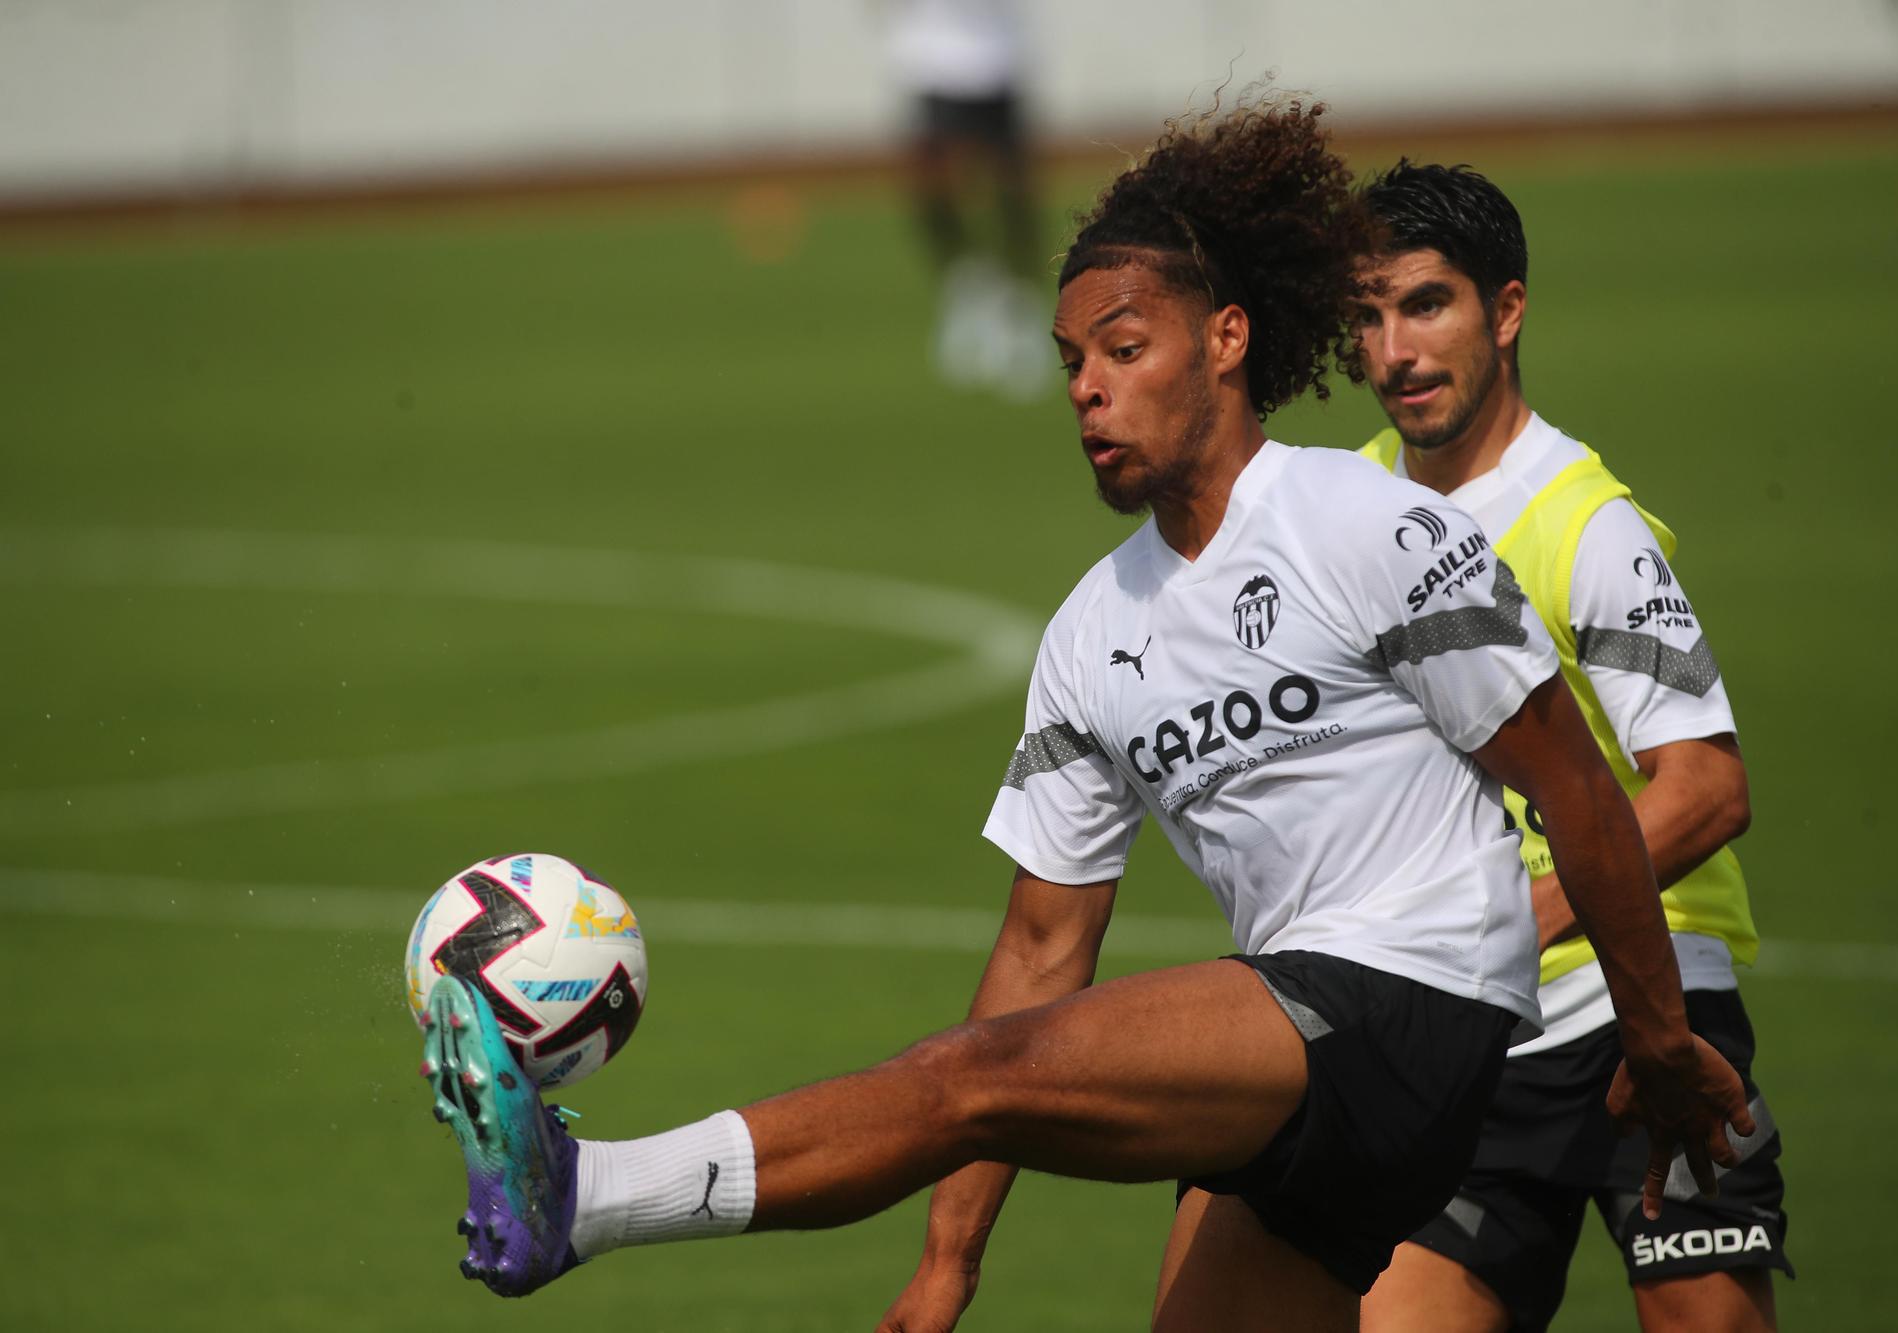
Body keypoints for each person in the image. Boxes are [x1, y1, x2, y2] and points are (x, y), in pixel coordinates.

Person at [418, 103, 1755, 1333]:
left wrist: (1656, 1038)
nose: (1087, 389)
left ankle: (584, 1194)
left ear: (1227, 340)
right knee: (1001, 1068)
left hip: (1419, 1003)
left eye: (1126, 349)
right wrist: (952, 1255)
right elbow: (1043, 946)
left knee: (975, 1075)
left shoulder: (1365, 522)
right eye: (1071, 362)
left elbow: (1582, 790)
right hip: (1320, 1080)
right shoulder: (1090, 635)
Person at [1338, 162, 1791, 1333]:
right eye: (1367, 315)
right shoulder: (1344, 510)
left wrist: (1514, 916)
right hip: (1466, 1040)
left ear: (1505, 309)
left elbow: (1705, 788)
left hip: (1643, 1004)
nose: (1393, 350)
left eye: (1425, 304)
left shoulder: (1581, 524)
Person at [880, 0, 1048, 397]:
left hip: (999, 57)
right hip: (930, 59)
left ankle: (1020, 308)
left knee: (1013, 195)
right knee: (933, 191)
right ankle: (967, 288)